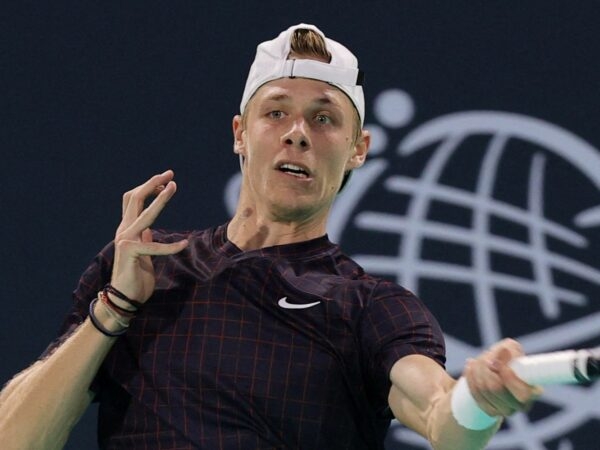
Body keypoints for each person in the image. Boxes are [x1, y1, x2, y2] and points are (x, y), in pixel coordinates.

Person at [0, 24, 540, 450]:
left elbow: (440, 417)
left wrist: (479, 402)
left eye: (324, 119)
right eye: (276, 111)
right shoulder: (142, 268)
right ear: (241, 133)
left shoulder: (372, 308)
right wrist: (114, 310)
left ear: (358, 148)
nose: (297, 133)